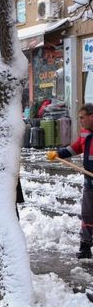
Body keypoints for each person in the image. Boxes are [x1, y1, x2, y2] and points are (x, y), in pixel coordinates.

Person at [47, 103, 93, 259]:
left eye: (82, 118)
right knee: (87, 215)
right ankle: (85, 246)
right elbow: (74, 149)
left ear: (91, 117)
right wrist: (58, 154)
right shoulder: (85, 134)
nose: (80, 121)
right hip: (90, 183)